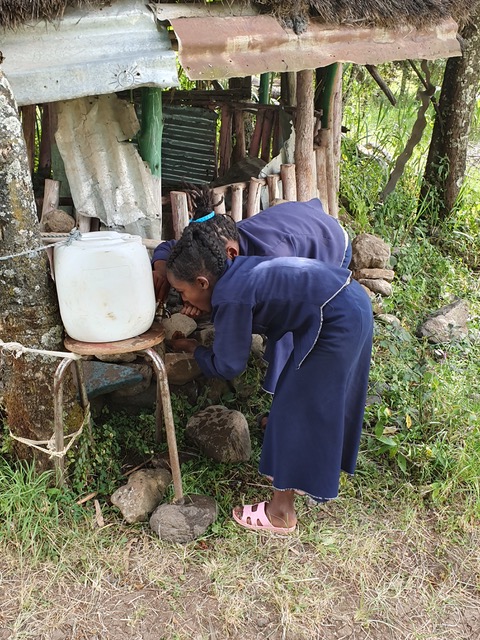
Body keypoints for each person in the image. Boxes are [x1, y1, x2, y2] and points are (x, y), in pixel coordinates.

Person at [166, 223, 373, 534]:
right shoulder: (238, 271)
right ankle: (303, 473)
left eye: (183, 292)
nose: (183, 299)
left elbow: (228, 365)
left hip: (335, 319)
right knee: (315, 400)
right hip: (350, 299)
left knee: (294, 407)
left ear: (202, 282)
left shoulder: (230, 296)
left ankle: (280, 514)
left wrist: (196, 351)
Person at [153, 189, 352, 394]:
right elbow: (171, 247)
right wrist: (160, 268)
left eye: (182, 291)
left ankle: (281, 391)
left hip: (328, 242)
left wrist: (202, 348)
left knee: (296, 330)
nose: (182, 296)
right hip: (299, 220)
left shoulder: (272, 257)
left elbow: (280, 317)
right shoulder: (209, 246)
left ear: (231, 254)